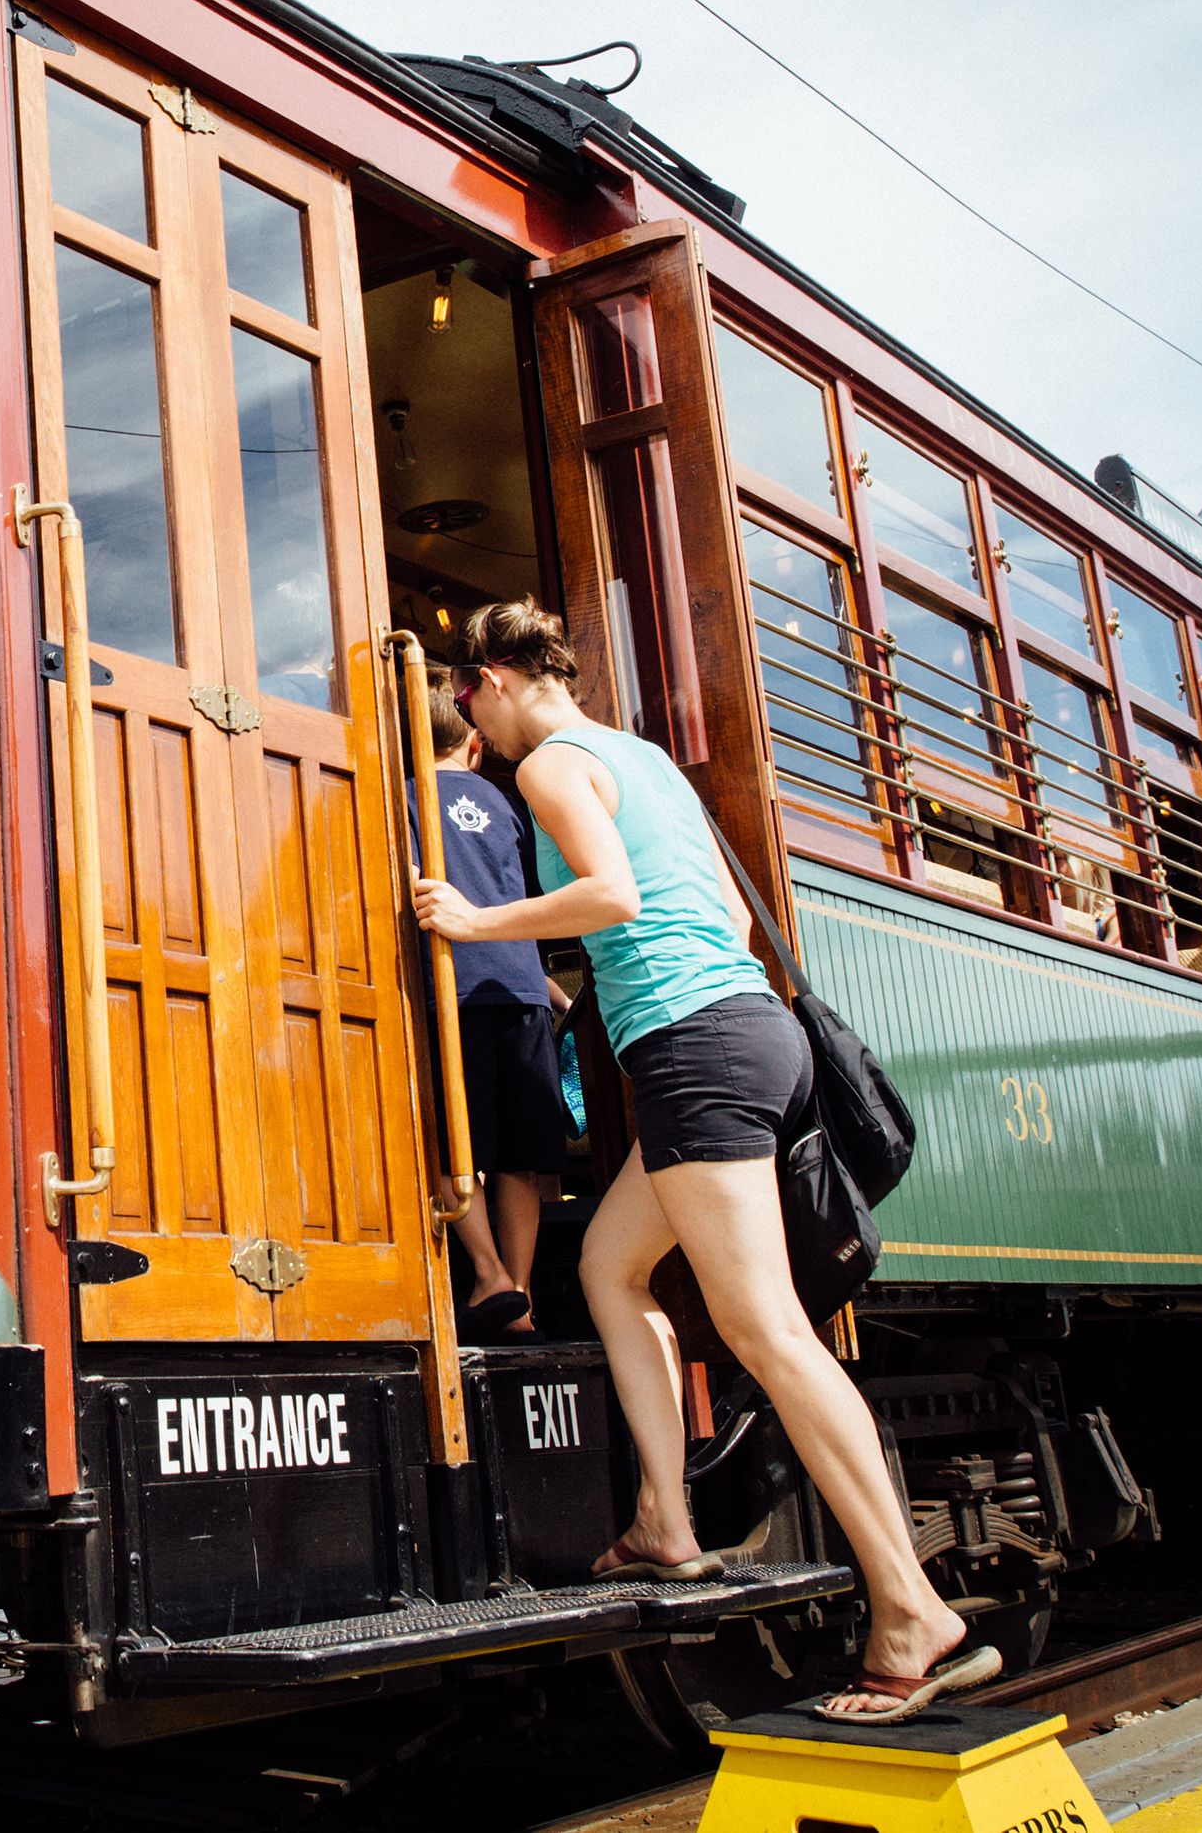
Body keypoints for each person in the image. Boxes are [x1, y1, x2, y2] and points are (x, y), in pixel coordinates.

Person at [411, 605, 992, 1723]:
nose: (471, 725)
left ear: (489, 680)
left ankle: (912, 1606)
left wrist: (472, 923)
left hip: (696, 1047)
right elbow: (717, 909)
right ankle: (664, 1526)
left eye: (467, 698)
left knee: (767, 1330)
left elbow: (613, 898)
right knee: (611, 1270)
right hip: (737, 1030)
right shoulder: (644, 761)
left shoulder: (552, 768)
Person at [413, 676, 575, 1340]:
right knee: (521, 1157)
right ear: (473, 744)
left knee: (452, 1143)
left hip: (454, 987)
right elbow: (509, 897)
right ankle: (525, 1299)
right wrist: (555, 993)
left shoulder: (402, 800)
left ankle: (486, 1274)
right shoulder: (500, 802)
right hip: (520, 990)